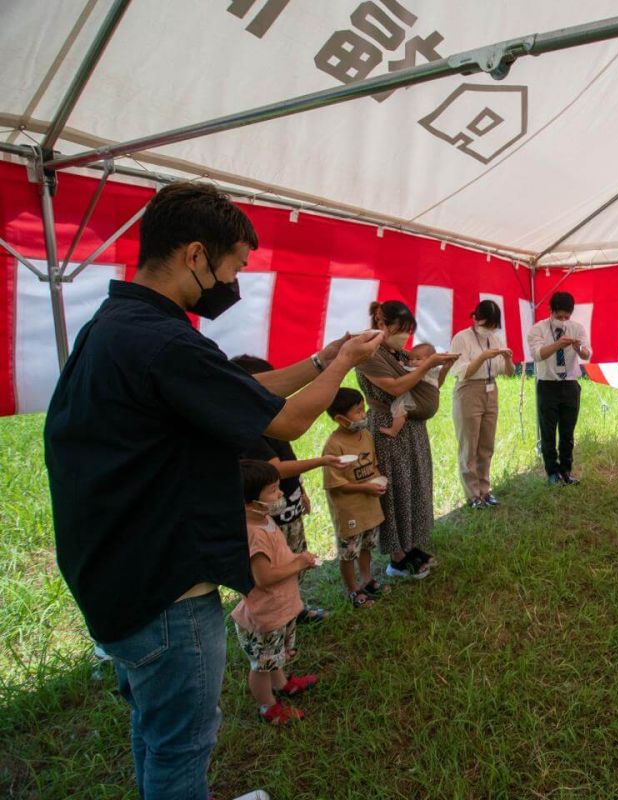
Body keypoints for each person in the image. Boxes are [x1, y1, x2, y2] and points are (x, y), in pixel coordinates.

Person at [44, 182, 382, 799]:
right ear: (196, 255)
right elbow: (283, 422)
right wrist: (346, 364)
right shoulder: (164, 341)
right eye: (235, 266)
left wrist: (320, 358)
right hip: (166, 589)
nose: (237, 283)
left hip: (116, 573)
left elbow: (235, 389)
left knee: (156, 729)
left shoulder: (121, 325)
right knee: (182, 745)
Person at [232, 354, 337, 625]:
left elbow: (287, 458)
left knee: (295, 554)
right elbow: (275, 469)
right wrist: (321, 461)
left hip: (287, 503)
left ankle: (294, 608)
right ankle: (276, 614)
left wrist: (300, 490)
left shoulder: (272, 421)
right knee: (279, 565)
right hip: (269, 514)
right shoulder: (249, 431)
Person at [356, 300, 457, 578]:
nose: (405, 337)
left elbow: (426, 388)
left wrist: (441, 367)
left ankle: (410, 545)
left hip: (412, 429)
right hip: (389, 427)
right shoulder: (369, 354)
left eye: (408, 331)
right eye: (400, 330)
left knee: (414, 483)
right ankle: (397, 557)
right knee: (396, 488)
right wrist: (428, 365)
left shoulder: (399, 353)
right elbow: (397, 386)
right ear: (382, 324)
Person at [231, 460, 319, 726]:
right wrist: (299, 563)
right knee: (262, 665)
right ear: (249, 502)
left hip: (280, 608)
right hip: (266, 614)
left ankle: (281, 684)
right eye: (273, 490)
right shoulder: (254, 534)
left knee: (276, 657)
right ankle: (267, 705)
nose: (280, 494)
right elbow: (264, 577)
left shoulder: (264, 519)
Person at [322, 388, 390, 609]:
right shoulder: (334, 446)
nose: (364, 415)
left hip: (369, 506)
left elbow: (373, 463)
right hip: (350, 510)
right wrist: (365, 488)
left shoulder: (367, 436)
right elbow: (335, 485)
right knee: (349, 552)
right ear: (341, 419)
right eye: (358, 412)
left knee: (367, 545)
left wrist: (378, 478)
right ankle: (353, 590)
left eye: (363, 409)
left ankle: (367, 580)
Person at [448, 300, 515, 508]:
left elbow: (509, 373)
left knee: (486, 445)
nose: (490, 330)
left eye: (493, 326)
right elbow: (462, 371)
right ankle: (472, 494)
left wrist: (508, 359)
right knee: (469, 445)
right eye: (487, 325)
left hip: (491, 389)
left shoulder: (495, 338)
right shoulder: (462, 338)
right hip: (469, 390)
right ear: (475, 319)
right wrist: (482, 357)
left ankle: (485, 490)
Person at [527, 291, 591, 485]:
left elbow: (587, 355)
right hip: (547, 385)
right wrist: (557, 345)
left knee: (567, 432)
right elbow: (537, 355)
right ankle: (552, 472)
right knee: (548, 431)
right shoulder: (538, 329)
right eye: (559, 316)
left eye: (566, 317)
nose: (563, 321)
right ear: (550, 311)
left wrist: (579, 348)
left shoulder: (577, 328)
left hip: (570, 384)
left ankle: (566, 470)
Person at [378, 343, 439, 438]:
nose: (413, 362)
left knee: (399, 408)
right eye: (410, 359)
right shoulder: (433, 369)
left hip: (420, 399)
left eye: (418, 359)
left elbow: (407, 372)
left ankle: (393, 430)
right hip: (426, 401)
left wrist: (400, 366)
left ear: (430, 360)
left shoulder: (425, 369)